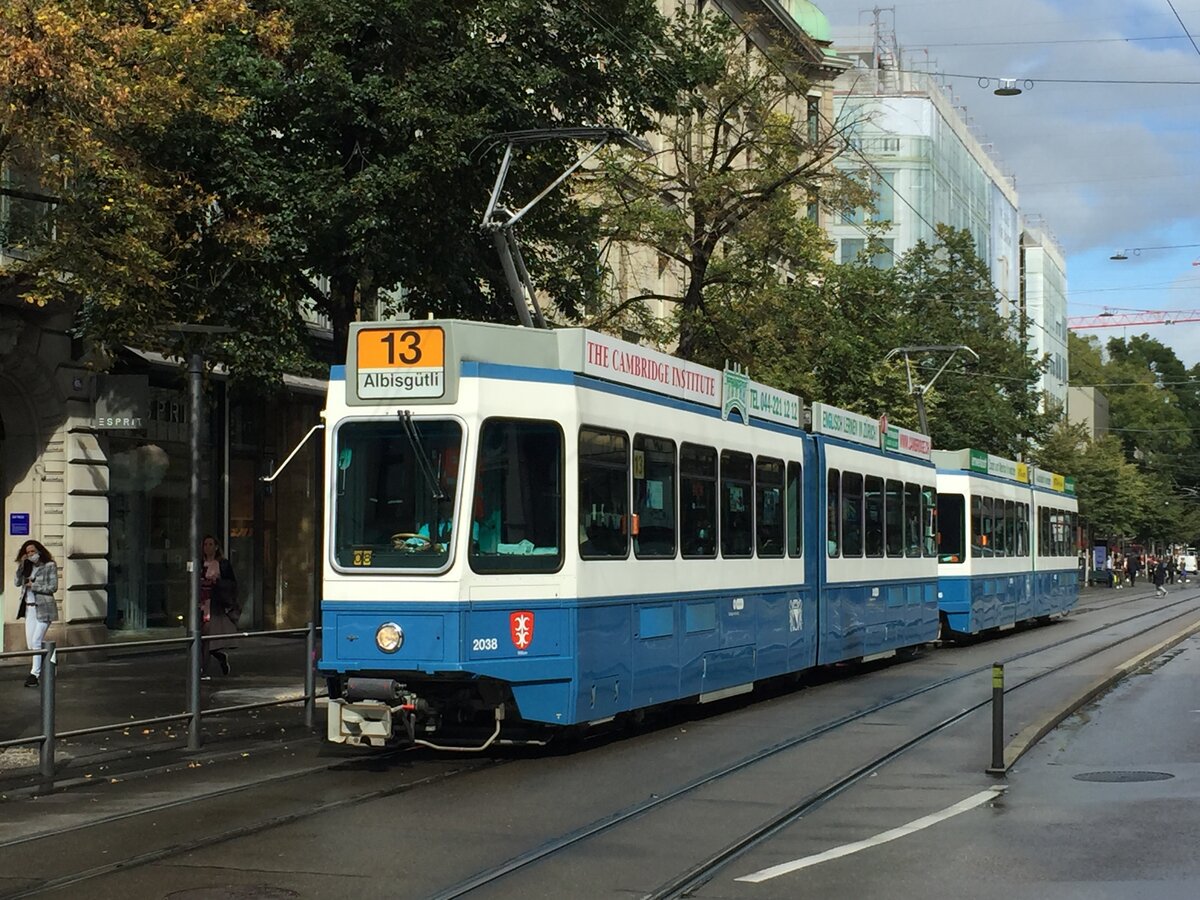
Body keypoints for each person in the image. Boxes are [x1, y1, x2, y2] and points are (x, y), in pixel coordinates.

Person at [14, 539, 57, 687]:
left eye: (32, 551)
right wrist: (21, 566)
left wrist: (35, 585)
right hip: (29, 609)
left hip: (44, 608)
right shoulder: (27, 567)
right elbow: (17, 583)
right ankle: (51, 660)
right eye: (27, 552)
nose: (30, 554)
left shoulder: (49, 565)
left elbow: (53, 587)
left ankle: (34, 675)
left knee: (36, 641)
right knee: (31, 644)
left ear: (39, 551)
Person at [200, 535, 239, 678]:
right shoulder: (199, 563)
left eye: (210, 544)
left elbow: (232, 584)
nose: (207, 547)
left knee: (205, 637)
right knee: (200, 638)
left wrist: (218, 581)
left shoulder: (223, 564)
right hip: (200, 603)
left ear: (216, 547)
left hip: (214, 605)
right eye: (205, 544)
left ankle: (203, 669)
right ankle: (219, 656)